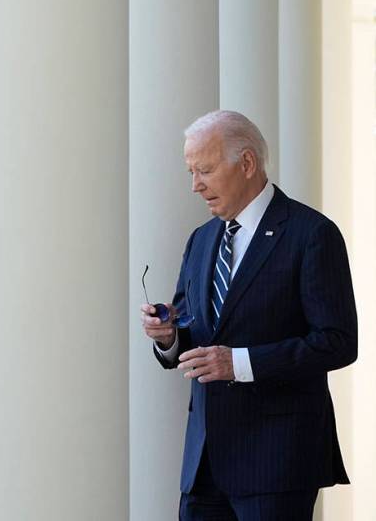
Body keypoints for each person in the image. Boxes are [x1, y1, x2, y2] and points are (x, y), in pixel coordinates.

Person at [140, 110, 357, 521]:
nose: (194, 185)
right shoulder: (201, 240)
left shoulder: (312, 234)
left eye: (204, 170)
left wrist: (238, 363)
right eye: (191, 171)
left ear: (247, 163)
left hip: (277, 463)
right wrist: (167, 336)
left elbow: (338, 341)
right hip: (203, 466)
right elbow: (193, 333)